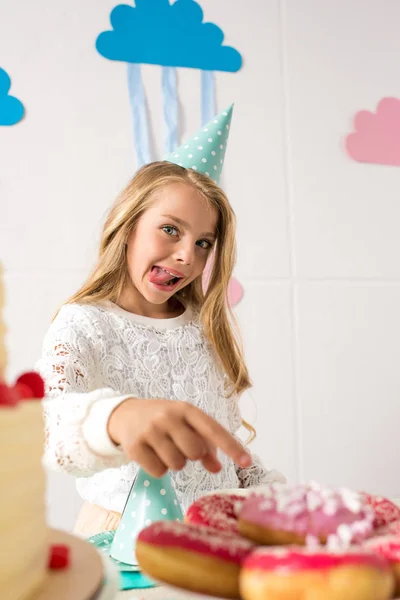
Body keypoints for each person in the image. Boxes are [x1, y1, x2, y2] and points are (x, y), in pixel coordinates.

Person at [36, 105, 285, 537]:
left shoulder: (203, 330)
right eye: (170, 230)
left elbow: (222, 444)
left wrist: (269, 495)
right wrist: (118, 416)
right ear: (129, 225)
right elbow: (54, 425)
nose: (188, 256)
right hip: (125, 537)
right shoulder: (84, 325)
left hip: (216, 533)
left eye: (203, 242)